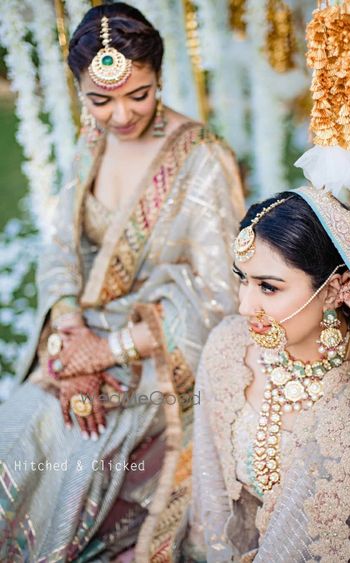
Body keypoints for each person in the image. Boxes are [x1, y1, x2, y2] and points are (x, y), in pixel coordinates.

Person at [0, 2, 244, 561]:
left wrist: (104, 352)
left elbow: (219, 295)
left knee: (54, 454)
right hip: (77, 341)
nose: (121, 115)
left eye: (140, 94)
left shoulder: (202, 159)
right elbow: (60, 245)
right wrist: (68, 339)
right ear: (81, 93)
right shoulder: (92, 143)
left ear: (160, 78)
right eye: (99, 100)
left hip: (155, 358)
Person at [183, 186, 350, 562]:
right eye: (242, 279)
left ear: (333, 290)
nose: (244, 306)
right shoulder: (228, 349)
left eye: (268, 287)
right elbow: (212, 503)